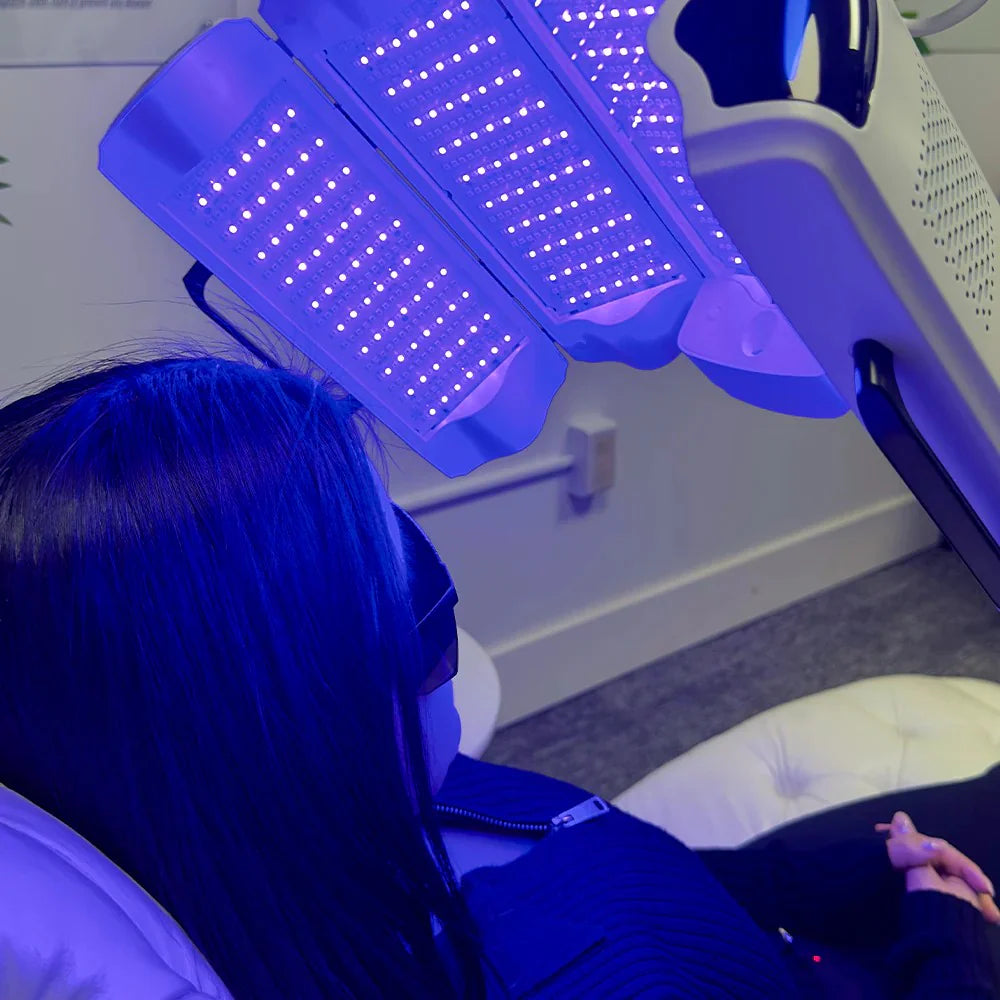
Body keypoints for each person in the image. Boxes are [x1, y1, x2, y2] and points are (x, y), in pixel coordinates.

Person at [0, 352, 997, 999]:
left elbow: (630, 858)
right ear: (265, 707)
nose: (415, 563)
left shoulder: (392, 799)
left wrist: (863, 873)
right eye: (368, 551)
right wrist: (949, 939)